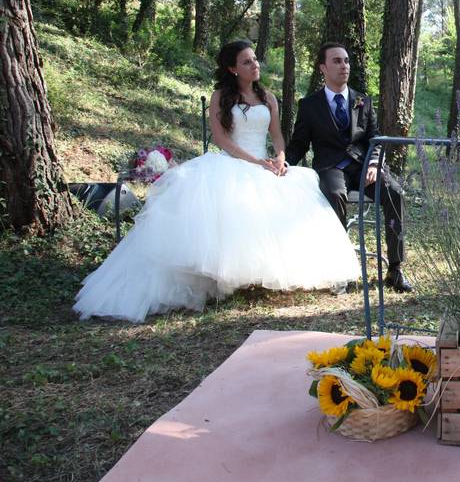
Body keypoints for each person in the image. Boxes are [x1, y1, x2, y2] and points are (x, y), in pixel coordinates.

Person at [74, 40, 361, 323]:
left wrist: (281, 157)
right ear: (233, 69)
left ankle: (261, 275)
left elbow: (276, 135)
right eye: (247, 62)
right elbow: (222, 139)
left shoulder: (268, 97)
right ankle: (220, 277)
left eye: (255, 59)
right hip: (233, 163)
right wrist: (254, 161)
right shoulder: (221, 96)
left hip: (265, 164)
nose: (255, 65)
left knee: (299, 190)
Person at [286, 42, 412, 292]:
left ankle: (395, 270)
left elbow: (375, 137)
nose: (344, 66)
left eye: (346, 60)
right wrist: (284, 162)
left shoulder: (363, 100)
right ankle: (339, 271)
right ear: (323, 67)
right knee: (334, 195)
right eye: (336, 61)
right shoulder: (309, 105)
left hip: (365, 167)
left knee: (394, 193)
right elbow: (299, 143)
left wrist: (375, 164)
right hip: (331, 167)